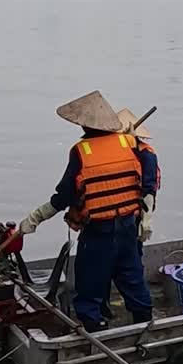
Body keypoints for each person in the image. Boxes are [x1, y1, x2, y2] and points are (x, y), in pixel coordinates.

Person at [17, 91, 158, 331]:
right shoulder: (133, 145)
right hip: (128, 227)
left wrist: (35, 218)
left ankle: (95, 331)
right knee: (132, 279)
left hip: (98, 231)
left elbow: (65, 195)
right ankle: (146, 329)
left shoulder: (82, 151)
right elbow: (148, 184)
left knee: (89, 285)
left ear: (84, 124)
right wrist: (146, 218)